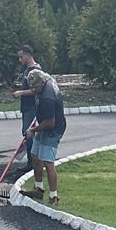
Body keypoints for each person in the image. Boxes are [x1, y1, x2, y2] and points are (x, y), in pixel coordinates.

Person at [26, 68, 66, 204]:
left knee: (48, 162)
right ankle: (38, 189)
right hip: (44, 123)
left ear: (42, 83)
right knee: (35, 155)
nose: (33, 90)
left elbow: (50, 123)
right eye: (31, 87)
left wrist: (34, 130)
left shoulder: (47, 97)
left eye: (36, 87)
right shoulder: (44, 77)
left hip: (54, 129)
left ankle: (54, 196)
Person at [12, 43, 43, 167]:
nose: (20, 60)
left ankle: (33, 163)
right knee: (26, 133)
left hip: (32, 107)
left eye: (21, 57)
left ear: (27, 55)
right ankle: (31, 161)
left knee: (29, 133)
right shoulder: (27, 70)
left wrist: (20, 93)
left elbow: (36, 90)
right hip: (26, 107)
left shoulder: (36, 70)